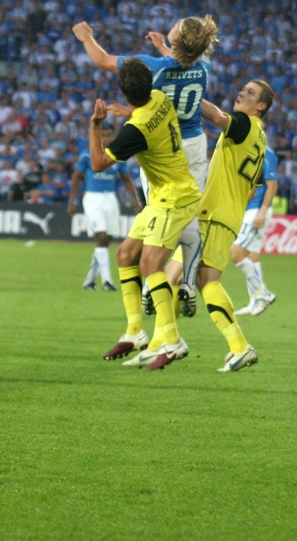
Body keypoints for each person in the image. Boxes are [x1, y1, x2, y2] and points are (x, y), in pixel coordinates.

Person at [73, 16, 217, 317]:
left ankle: (154, 285)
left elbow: (102, 60)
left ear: (177, 38)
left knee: (159, 215)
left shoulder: (153, 67)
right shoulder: (204, 68)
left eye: (176, 25)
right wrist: (165, 47)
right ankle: (188, 281)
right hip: (193, 143)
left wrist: (86, 37)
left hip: (162, 145)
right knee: (189, 215)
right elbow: (181, 64)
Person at [94, 58, 201, 371]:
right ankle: (135, 333)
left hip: (174, 198)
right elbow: (145, 114)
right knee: (126, 254)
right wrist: (127, 112)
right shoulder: (160, 98)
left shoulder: (134, 130)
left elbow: (99, 162)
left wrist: (95, 124)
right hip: (162, 195)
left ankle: (171, 339)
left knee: (150, 263)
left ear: (123, 93)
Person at [196, 80, 274, 372]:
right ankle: (238, 347)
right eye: (242, 89)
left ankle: (164, 339)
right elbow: (253, 191)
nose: (241, 92)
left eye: (250, 93)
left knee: (179, 273)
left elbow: (217, 117)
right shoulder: (261, 139)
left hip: (213, 212)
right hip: (229, 216)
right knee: (202, 280)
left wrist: (188, 93)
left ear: (261, 107)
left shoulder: (243, 123)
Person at [67, 123, 141, 291]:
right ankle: (107, 280)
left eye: (108, 135)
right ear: (96, 136)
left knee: (106, 239)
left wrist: (136, 200)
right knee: (100, 235)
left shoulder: (117, 156)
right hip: (93, 198)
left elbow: (127, 179)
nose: (106, 138)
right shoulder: (87, 155)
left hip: (110, 198)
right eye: (103, 135)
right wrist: (71, 202)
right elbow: (77, 177)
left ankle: (89, 281)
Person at [233, 144, 279, 317]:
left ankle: (263, 293)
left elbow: (272, 185)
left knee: (236, 253)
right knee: (251, 255)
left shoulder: (267, 153)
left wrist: (262, 211)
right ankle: (254, 301)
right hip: (248, 209)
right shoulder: (246, 150)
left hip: (256, 211)